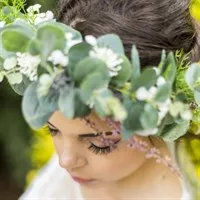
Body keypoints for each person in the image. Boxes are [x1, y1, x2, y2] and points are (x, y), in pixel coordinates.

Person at [19, 0, 199, 199]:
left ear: (160, 115)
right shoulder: (88, 165)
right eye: (53, 130)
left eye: (100, 143)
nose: (65, 160)